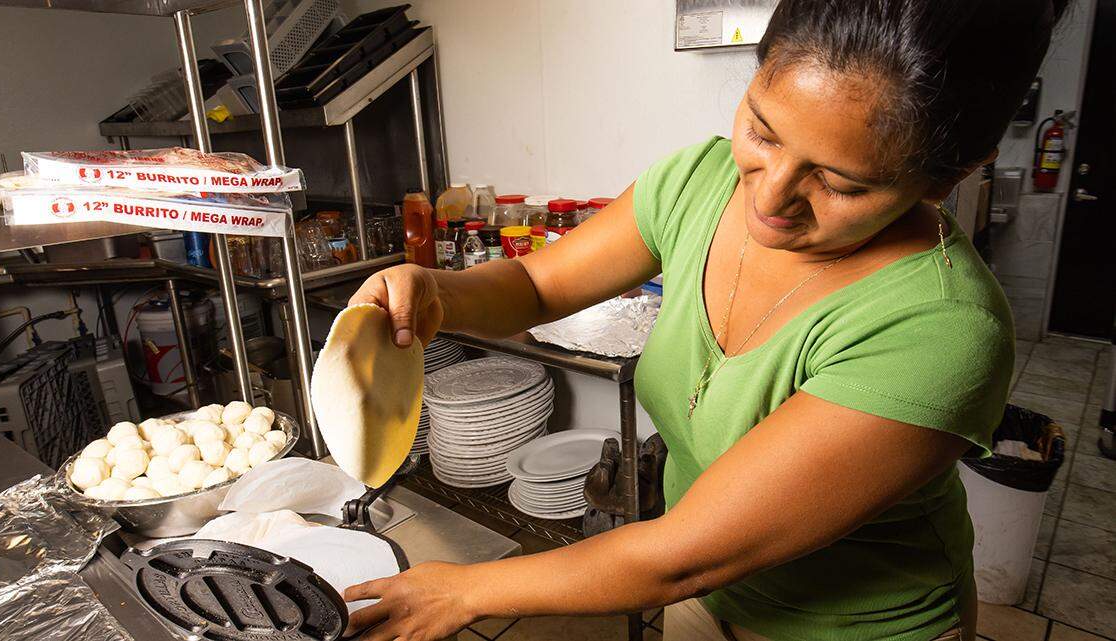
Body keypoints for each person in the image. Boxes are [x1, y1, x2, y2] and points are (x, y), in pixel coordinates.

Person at [342, 0, 1069, 639]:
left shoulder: (941, 327)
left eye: (840, 183)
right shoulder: (699, 180)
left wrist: (463, 589)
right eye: (762, 129)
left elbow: (685, 552)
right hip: (706, 601)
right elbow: (535, 283)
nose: (772, 195)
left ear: (949, 176)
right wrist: (430, 287)